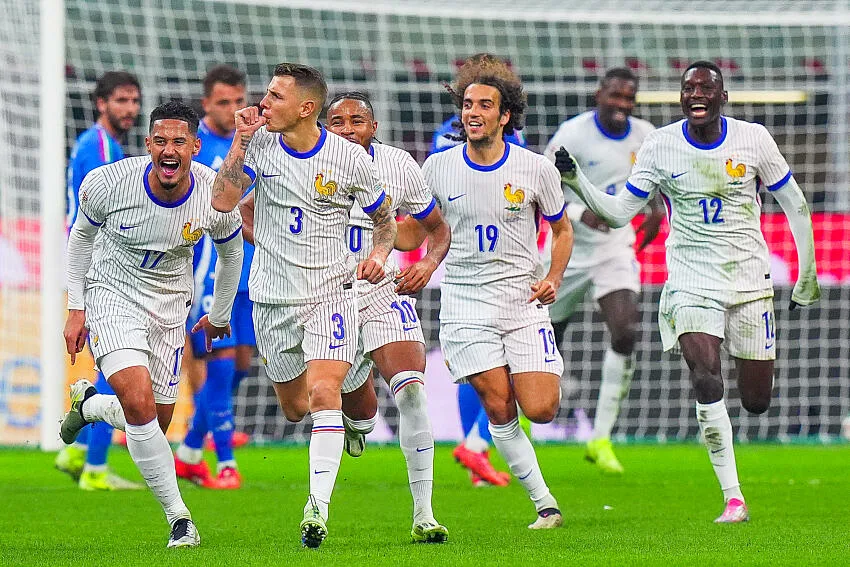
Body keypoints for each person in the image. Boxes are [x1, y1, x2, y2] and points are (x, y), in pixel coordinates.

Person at [555, 60, 820, 523]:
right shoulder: (660, 146)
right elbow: (619, 213)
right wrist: (578, 181)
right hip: (690, 281)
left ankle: (733, 459)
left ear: (723, 97)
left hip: (748, 280)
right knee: (705, 376)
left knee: (756, 402)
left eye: (705, 88)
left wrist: (807, 276)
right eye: (687, 88)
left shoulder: (753, 139)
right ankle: (733, 497)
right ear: (681, 98)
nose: (695, 94)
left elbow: (794, 204)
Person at [212, 63, 396, 548]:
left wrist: (378, 254)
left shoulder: (350, 159)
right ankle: (356, 376)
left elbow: (385, 219)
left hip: (330, 294)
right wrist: (240, 142)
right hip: (273, 299)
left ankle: (317, 507)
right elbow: (223, 201)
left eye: (274, 96)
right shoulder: (262, 144)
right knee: (296, 409)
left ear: (305, 108)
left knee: (321, 396)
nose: (263, 103)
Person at [60, 100, 244, 547]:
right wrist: (76, 305)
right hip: (113, 292)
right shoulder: (108, 184)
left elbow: (232, 251)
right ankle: (180, 519)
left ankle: (90, 407)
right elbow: (81, 237)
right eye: (160, 141)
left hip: (169, 304)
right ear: (147, 145)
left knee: (154, 423)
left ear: (195, 147)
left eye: (179, 141)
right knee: (140, 404)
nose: (169, 149)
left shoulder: (214, 195)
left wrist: (219, 314)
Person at [422, 55, 574, 529]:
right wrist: (381, 239)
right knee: (499, 404)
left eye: (484, 105)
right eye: (467, 104)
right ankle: (544, 503)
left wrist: (553, 277)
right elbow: (421, 228)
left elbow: (563, 229)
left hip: (522, 300)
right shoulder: (438, 167)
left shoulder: (535, 168)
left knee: (542, 408)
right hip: (465, 302)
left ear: (505, 115)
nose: (473, 112)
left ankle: (507, 462)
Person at [326, 91, 450, 542]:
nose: (347, 129)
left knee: (412, 390)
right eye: (336, 122)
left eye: (357, 121)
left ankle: (424, 515)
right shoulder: (302, 161)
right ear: (323, 127)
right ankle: (356, 423)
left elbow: (435, 228)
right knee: (345, 409)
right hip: (324, 294)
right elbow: (250, 214)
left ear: (373, 128)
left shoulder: (398, 165)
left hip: (383, 289)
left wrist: (426, 263)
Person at [543, 67, 665, 474]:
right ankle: (525, 415)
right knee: (546, 338)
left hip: (615, 246)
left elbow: (655, 187)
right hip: (569, 248)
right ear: (600, 94)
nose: (622, 105)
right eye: (616, 96)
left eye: (629, 99)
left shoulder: (644, 135)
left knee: (627, 330)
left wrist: (653, 211)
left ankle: (601, 438)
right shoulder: (572, 135)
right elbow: (544, 188)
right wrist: (580, 212)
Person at [430, 53, 526, 488]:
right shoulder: (454, 150)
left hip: (468, 263)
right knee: (490, 367)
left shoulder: (441, 140)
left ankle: (478, 448)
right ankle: (476, 441)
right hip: (480, 267)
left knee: (479, 366)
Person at [55, 71, 144, 491]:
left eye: (134, 101)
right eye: (121, 101)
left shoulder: (99, 143)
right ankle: (94, 468)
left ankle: (76, 453)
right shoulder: (101, 148)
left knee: (110, 360)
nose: (130, 109)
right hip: (100, 266)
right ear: (101, 103)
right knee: (116, 362)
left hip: (96, 263)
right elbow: (103, 215)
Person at [174, 64, 254, 490]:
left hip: (248, 271)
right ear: (206, 104)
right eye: (224, 102)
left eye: (240, 100)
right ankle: (225, 462)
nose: (233, 109)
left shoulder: (252, 144)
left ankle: (189, 448)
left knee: (241, 365)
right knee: (219, 366)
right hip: (206, 269)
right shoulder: (194, 148)